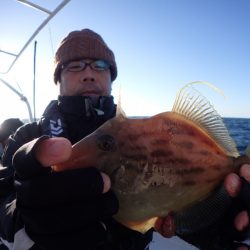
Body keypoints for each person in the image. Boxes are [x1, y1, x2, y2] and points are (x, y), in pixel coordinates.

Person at [0, 28, 249, 250]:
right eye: (74, 65)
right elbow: (2, 200)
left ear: (111, 76)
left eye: (98, 64)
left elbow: (174, 211)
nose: (88, 74)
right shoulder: (28, 138)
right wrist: (23, 215)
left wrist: (219, 219)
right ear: (58, 78)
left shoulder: (139, 132)